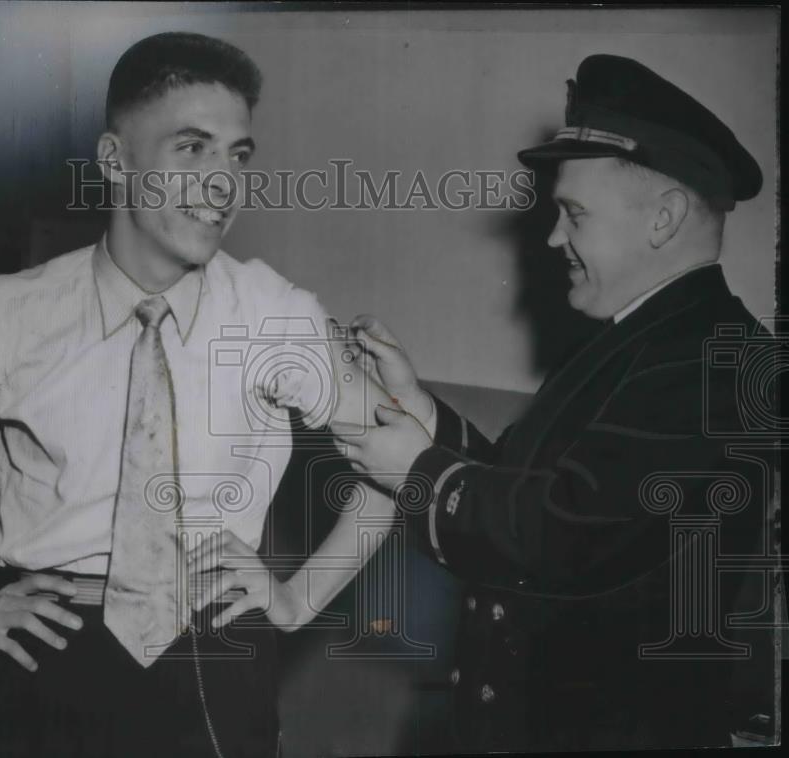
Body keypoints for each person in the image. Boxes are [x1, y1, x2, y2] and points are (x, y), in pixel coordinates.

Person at [0, 32, 395, 757]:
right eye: (191, 148)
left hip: (213, 654)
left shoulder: (275, 316)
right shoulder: (6, 316)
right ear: (115, 160)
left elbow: (397, 461)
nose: (222, 185)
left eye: (236, 155)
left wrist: (297, 599)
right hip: (47, 653)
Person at [332, 54, 776, 751]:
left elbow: (567, 532)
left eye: (573, 215)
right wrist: (423, 413)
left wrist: (417, 470)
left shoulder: (717, 359)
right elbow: (531, 490)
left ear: (663, 219)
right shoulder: (638, 341)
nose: (551, 238)